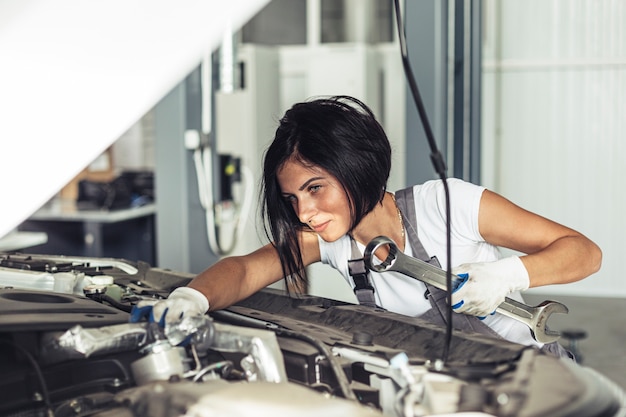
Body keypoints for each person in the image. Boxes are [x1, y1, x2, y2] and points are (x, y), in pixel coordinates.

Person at [152, 95, 602, 353]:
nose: (303, 213)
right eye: (292, 198)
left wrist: (504, 276)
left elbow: (583, 251)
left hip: (530, 373)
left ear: (354, 167)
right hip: (447, 387)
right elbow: (248, 269)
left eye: (315, 188)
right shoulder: (329, 242)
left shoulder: (447, 204)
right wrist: (191, 297)